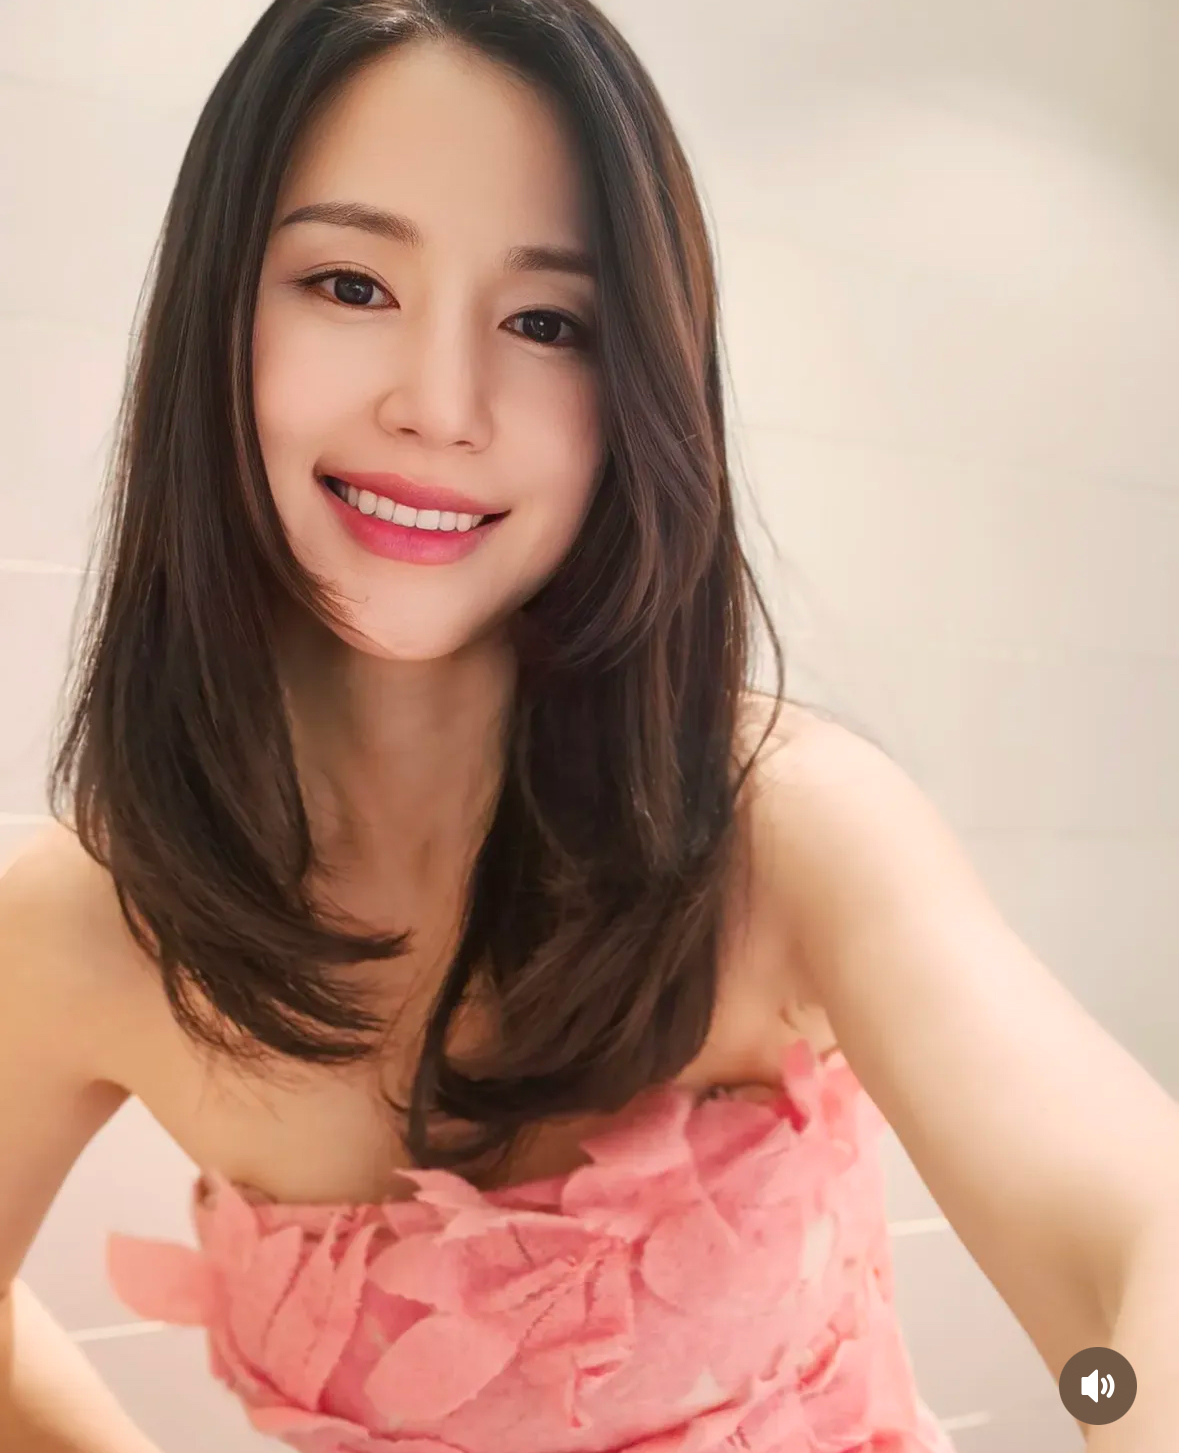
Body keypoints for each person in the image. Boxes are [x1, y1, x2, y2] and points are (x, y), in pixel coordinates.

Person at [2, 1, 1178, 1450]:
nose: (442, 406)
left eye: (547, 324)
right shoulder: (89, 923)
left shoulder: (782, 829)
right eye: (351, 284)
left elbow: (1128, 1250)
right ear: (215, 316)